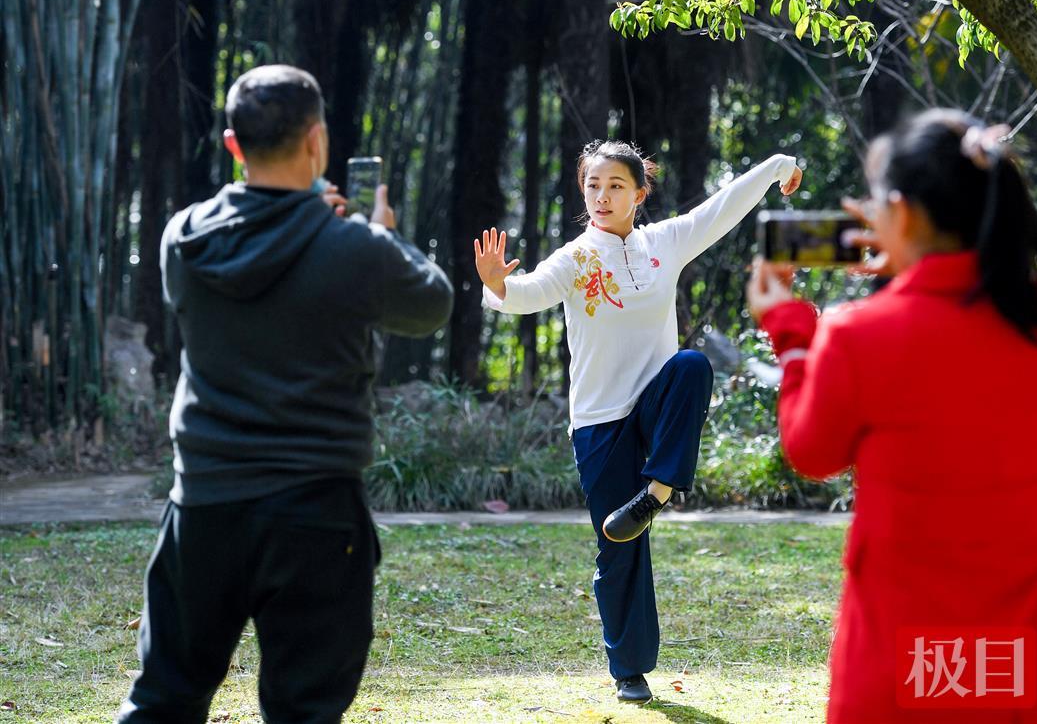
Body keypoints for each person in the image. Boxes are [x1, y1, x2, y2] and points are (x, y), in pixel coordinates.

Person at [746, 109, 1037, 723]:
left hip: (907, 669)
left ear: (899, 213)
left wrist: (791, 332)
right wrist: (917, 259)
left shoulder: (859, 337)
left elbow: (812, 450)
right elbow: (989, 301)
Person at [117, 65, 453, 723]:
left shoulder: (183, 239)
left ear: (232, 145)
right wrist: (378, 233)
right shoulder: (355, 248)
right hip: (316, 515)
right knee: (306, 711)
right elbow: (432, 302)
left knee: (161, 700)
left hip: (205, 506)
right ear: (318, 142)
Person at [475, 140, 802, 702]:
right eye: (593, 187)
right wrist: (497, 282)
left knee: (692, 366)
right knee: (617, 547)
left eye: (615, 186)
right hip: (600, 423)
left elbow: (721, 208)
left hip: (656, 407)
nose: (601, 197)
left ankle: (657, 490)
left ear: (639, 193)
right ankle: (629, 670)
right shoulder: (575, 258)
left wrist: (778, 168)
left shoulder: (664, 243)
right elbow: (526, 293)